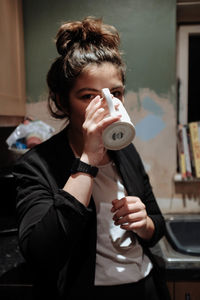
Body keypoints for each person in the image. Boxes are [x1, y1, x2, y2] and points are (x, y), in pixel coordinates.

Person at [13, 17, 170, 300]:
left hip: (144, 287)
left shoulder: (125, 151)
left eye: (116, 94)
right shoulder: (37, 164)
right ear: (62, 101)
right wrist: (87, 159)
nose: (108, 107)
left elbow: (157, 224)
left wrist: (144, 224)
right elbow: (41, 254)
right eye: (88, 96)